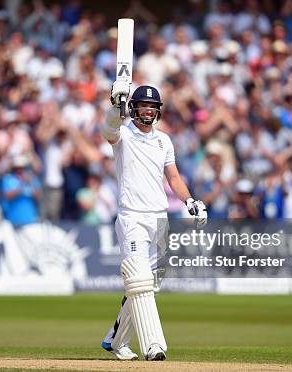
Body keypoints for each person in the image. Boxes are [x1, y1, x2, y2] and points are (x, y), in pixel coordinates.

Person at [100, 84, 207, 361]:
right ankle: (153, 346)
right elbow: (107, 131)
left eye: (153, 106)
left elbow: (173, 178)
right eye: (144, 105)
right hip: (132, 216)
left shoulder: (164, 141)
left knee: (149, 285)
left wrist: (190, 201)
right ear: (133, 107)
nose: (148, 110)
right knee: (139, 279)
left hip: (159, 218)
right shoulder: (124, 134)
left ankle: (116, 340)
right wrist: (115, 107)